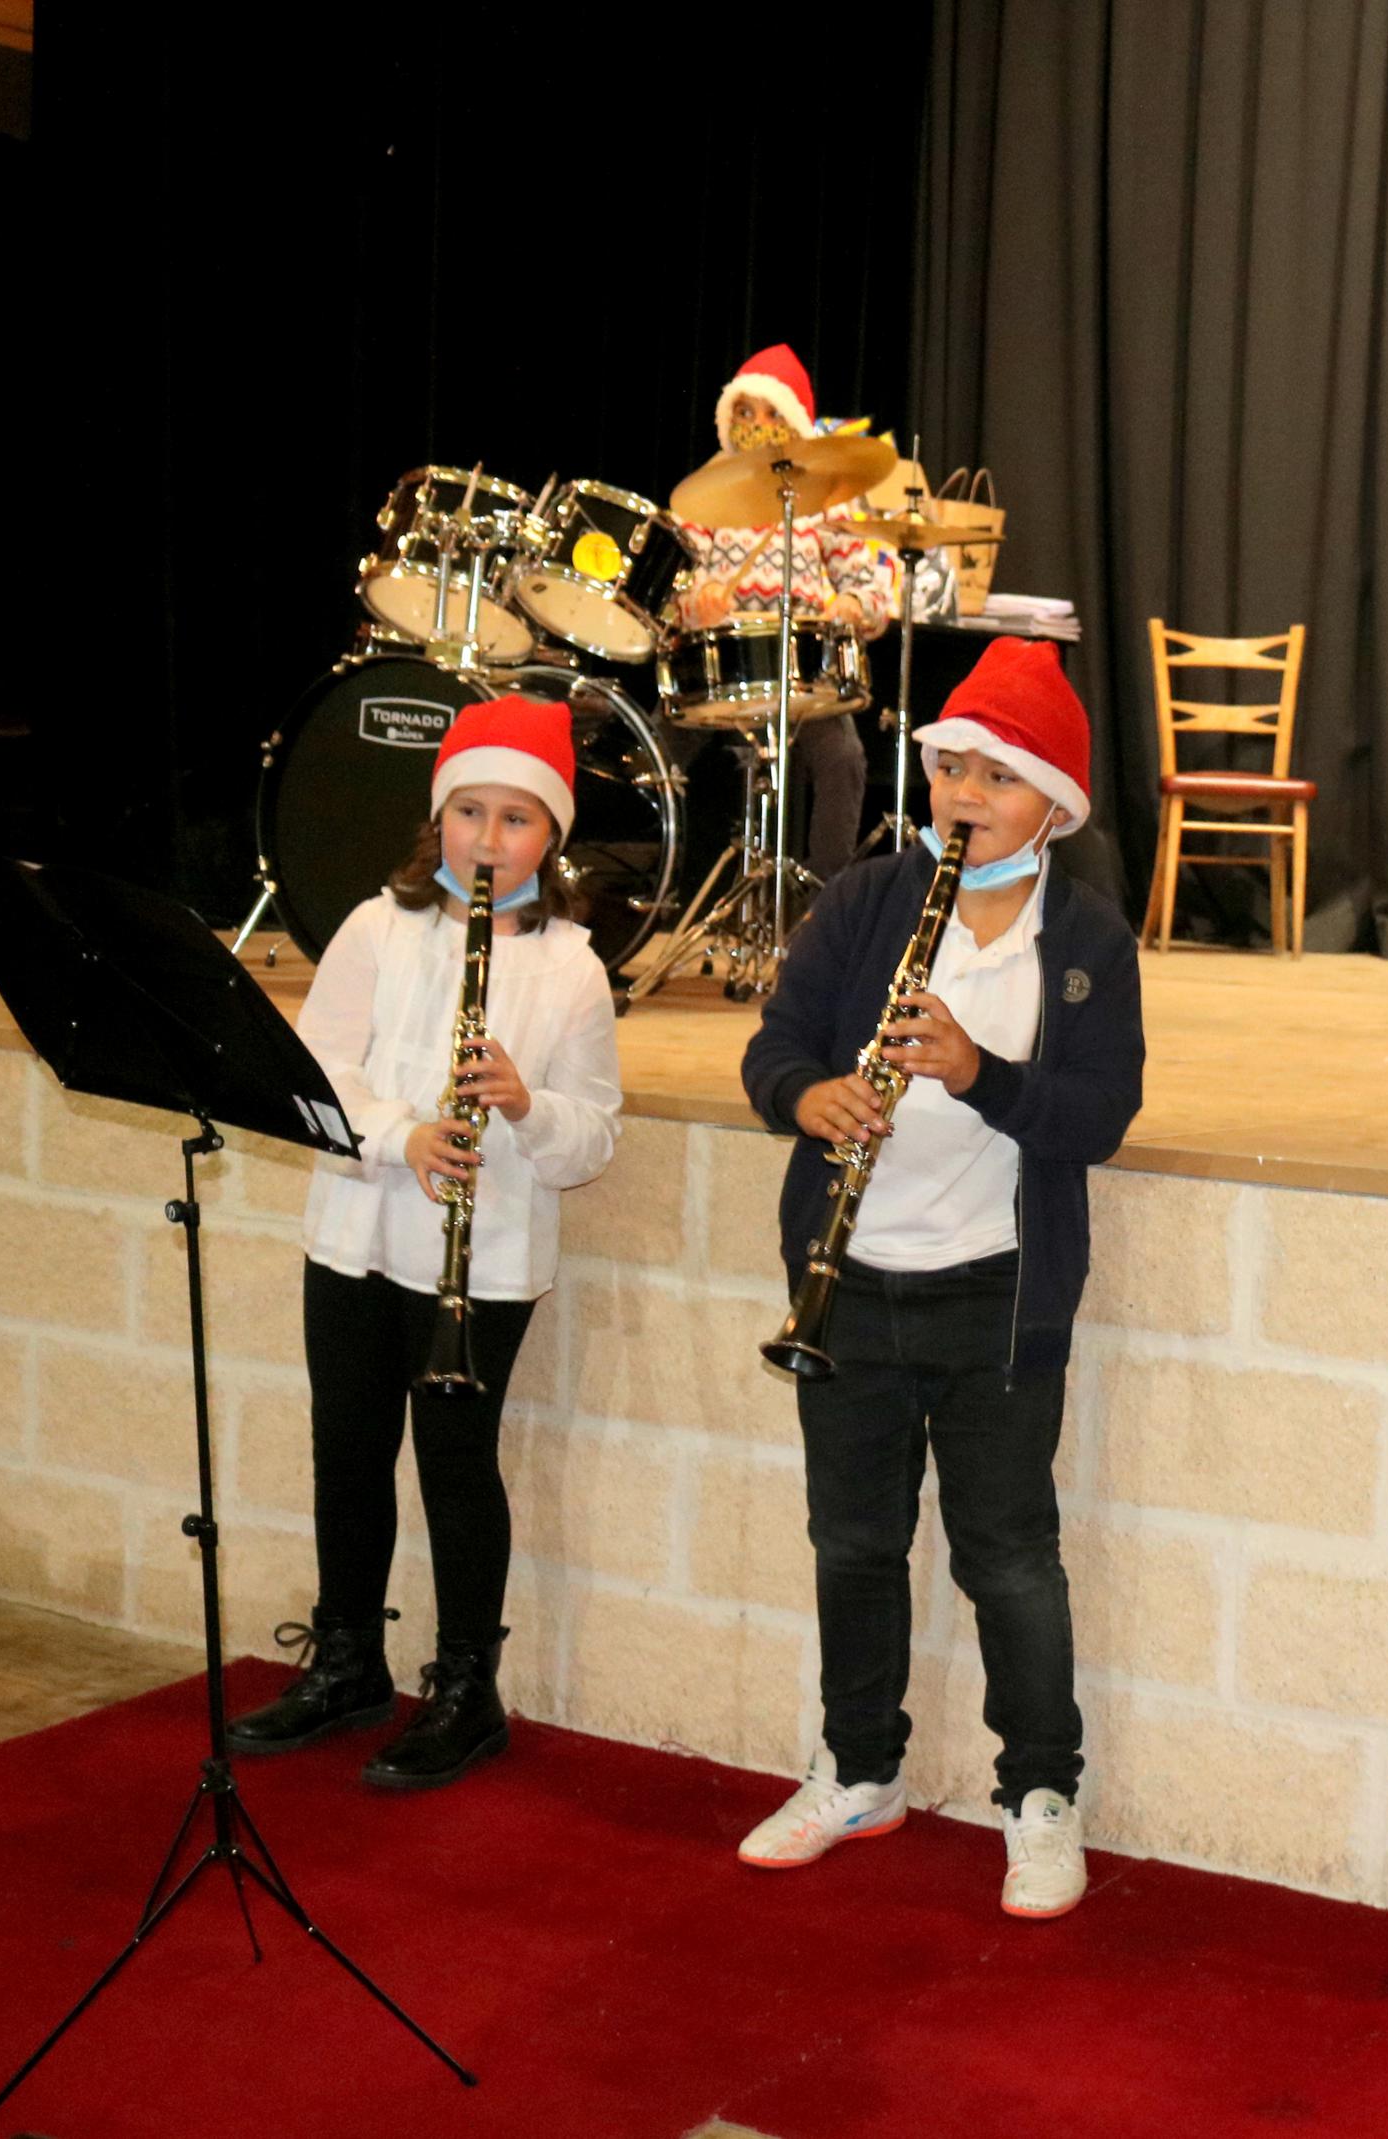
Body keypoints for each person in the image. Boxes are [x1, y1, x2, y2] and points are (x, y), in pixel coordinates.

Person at [735, 636, 1144, 1919]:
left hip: (994, 1297)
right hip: (849, 1279)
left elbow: (1098, 1117)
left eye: (997, 778)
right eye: (951, 768)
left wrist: (979, 1074)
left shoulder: (1083, 938)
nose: (966, 795)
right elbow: (774, 1050)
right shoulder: (867, 902)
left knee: (1009, 1556)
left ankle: (1040, 1794)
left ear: (1053, 806)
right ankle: (858, 1768)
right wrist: (814, 1098)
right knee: (852, 1543)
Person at [229, 697, 623, 1788]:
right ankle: (349, 1656)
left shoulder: (572, 968)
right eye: (469, 813)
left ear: (552, 837)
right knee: (346, 1450)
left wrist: (524, 1104)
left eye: (515, 819)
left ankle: (466, 1687)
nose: (487, 841)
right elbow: (318, 1073)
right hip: (355, 1237)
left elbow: (592, 1132)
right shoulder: (374, 927)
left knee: (456, 1466)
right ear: (436, 817)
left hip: (482, 1258)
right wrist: (401, 1136)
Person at [676, 343, 901, 878]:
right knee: (658, 757)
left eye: (774, 413)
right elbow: (671, 591)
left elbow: (873, 596)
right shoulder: (701, 497)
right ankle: (660, 883)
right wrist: (692, 605)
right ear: (728, 417)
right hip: (721, 675)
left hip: (801, 680)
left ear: (798, 424)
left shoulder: (827, 499)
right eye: (746, 411)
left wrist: (854, 606)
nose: (758, 424)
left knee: (844, 760)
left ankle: (826, 905)